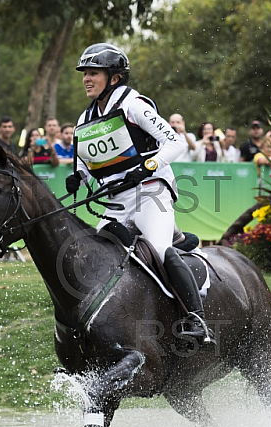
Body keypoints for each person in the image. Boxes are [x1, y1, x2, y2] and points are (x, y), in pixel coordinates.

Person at [66, 43, 213, 344]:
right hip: (118, 201)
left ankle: (197, 320)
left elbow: (174, 143)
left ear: (114, 78)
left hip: (150, 192)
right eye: (85, 74)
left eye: (94, 73)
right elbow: (85, 159)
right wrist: (78, 176)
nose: (86, 79)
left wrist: (149, 166)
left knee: (159, 251)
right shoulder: (85, 119)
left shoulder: (134, 106)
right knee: (98, 253)